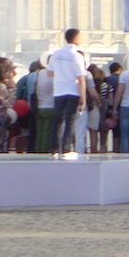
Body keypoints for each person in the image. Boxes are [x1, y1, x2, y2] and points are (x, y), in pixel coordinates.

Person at [45, 28, 87, 159]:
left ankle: (54, 149)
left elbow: (49, 73)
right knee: (70, 120)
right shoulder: (77, 55)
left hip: (59, 90)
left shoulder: (56, 54)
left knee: (57, 120)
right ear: (76, 38)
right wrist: (83, 98)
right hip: (72, 90)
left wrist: (60, 73)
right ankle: (67, 148)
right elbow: (81, 78)